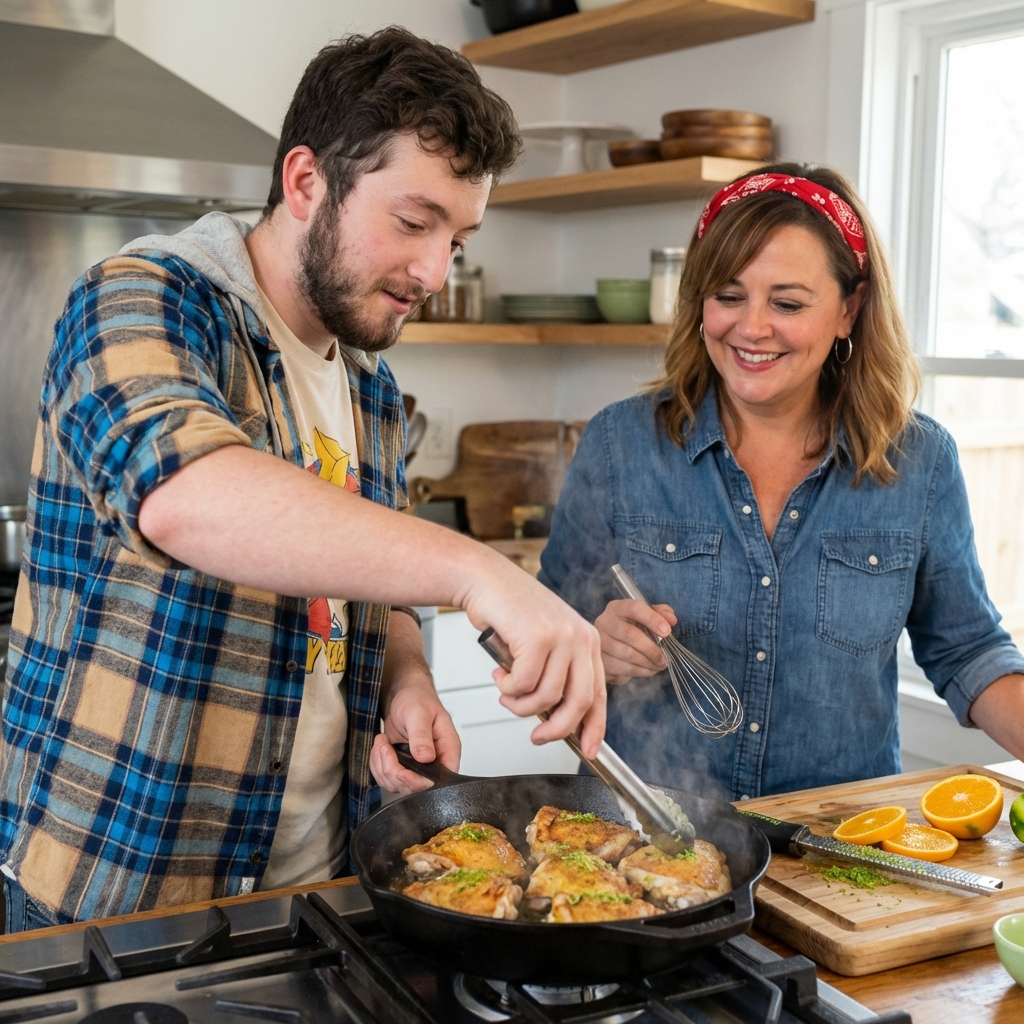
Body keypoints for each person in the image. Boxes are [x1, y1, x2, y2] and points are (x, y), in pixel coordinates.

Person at [0, 27, 604, 931]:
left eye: (459, 237)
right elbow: (187, 494)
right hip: (116, 894)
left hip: (316, 889)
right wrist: (482, 572)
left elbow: (366, 585)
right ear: (305, 182)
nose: (434, 271)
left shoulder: (371, 386)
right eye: (412, 221)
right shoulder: (137, 300)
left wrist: (402, 677)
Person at [539, 162, 1024, 802]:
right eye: (729, 296)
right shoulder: (620, 445)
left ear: (849, 310)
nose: (752, 328)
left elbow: (967, 651)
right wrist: (591, 646)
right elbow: (541, 634)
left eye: (788, 303)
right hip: (641, 844)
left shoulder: (919, 460)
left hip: (840, 850)